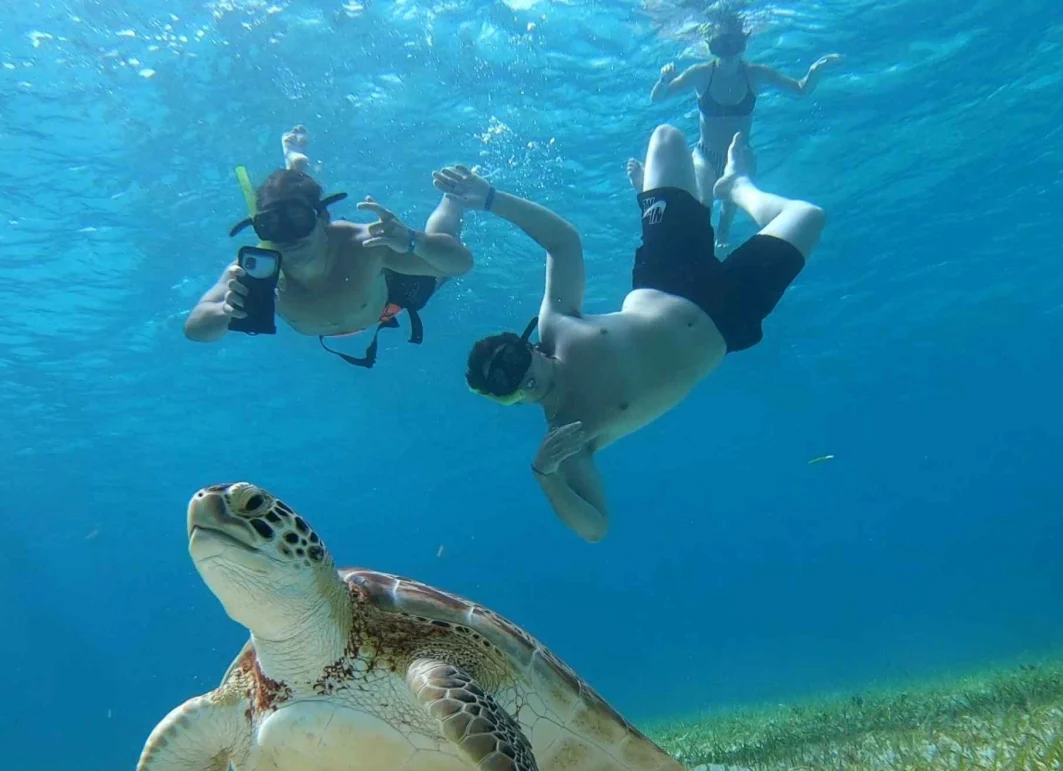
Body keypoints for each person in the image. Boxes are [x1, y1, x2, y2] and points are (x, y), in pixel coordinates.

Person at [439, 125, 824, 543]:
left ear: (527, 344)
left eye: (511, 358)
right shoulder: (569, 437)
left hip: (668, 273)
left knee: (666, 138)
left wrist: (491, 199)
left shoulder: (555, 326)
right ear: (508, 400)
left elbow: (563, 241)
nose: (519, 376)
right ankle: (736, 187)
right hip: (728, 319)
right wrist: (545, 474)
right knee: (807, 215)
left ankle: (710, 193)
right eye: (505, 384)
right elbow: (596, 527)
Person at [184, 126, 475, 368]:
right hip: (357, 306)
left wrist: (413, 240)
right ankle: (295, 169)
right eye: (272, 225)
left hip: (390, 298)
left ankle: (453, 197)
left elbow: (460, 264)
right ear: (260, 228)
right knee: (289, 197)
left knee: (440, 245)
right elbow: (195, 328)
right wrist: (225, 311)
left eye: (297, 219)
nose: (288, 237)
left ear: (323, 217)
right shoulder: (255, 271)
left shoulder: (367, 246)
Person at [646, 6, 838, 247]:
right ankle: (693, 257)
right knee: (701, 210)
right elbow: (658, 98)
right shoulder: (701, 74)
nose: (727, 54)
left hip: (739, 157)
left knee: (724, 227)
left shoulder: (755, 74)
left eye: (733, 44)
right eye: (720, 46)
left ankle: (718, 254)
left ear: (743, 43)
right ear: (710, 45)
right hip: (705, 155)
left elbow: (800, 90)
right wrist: (663, 80)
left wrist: (814, 72)